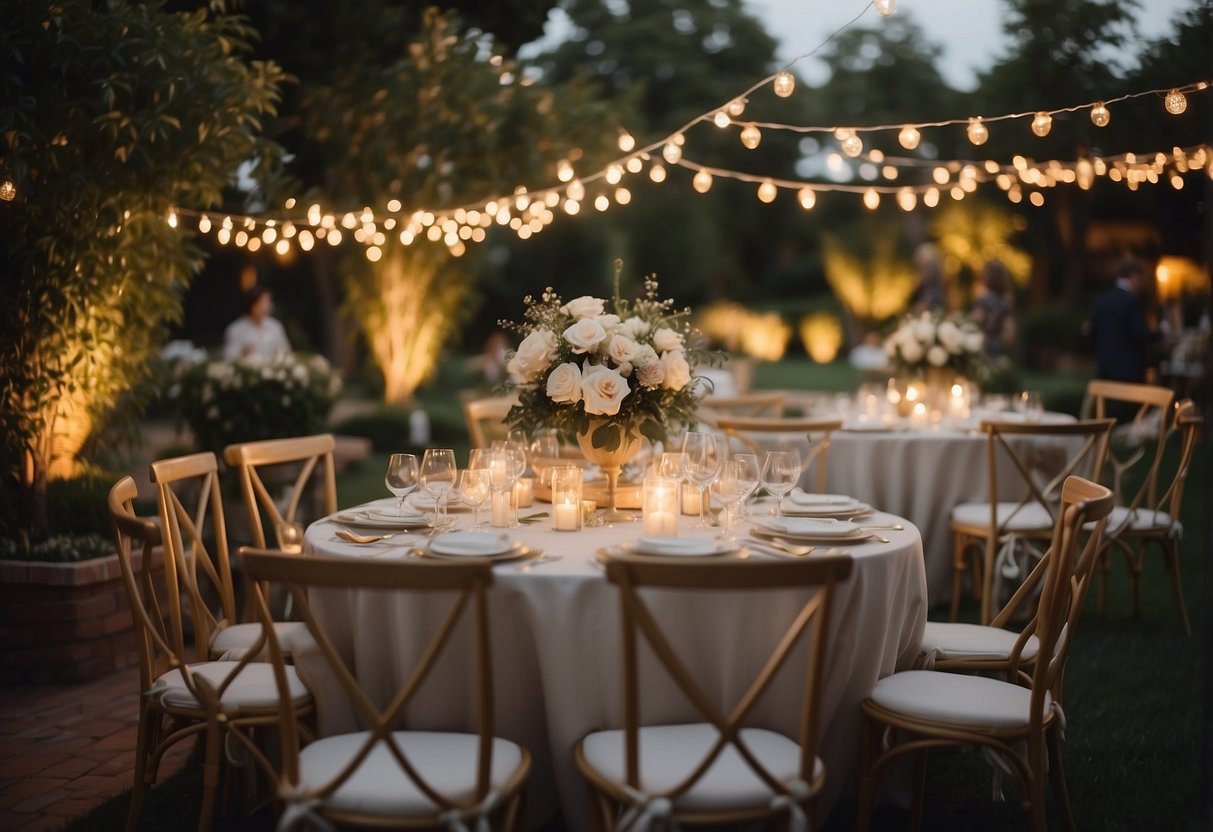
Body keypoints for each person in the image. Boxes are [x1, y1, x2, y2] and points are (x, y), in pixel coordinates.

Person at [1088, 257, 1159, 384]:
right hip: (1129, 371)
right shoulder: (1131, 301)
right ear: (1134, 276)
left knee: (1109, 403)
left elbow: (1092, 333)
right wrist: (1160, 333)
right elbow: (1141, 333)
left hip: (1105, 369)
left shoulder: (1102, 300)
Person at [223, 285, 291, 360]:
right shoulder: (236, 329)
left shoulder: (275, 326)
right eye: (261, 302)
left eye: (268, 302)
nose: (266, 307)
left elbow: (287, 353)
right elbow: (229, 358)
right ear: (251, 305)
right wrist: (242, 353)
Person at [971, 260, 1016, 360]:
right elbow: (1009, 329)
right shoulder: (1006, 300)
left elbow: (977, 320)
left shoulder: (984, 299)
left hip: (985, 343)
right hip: (999, 345)